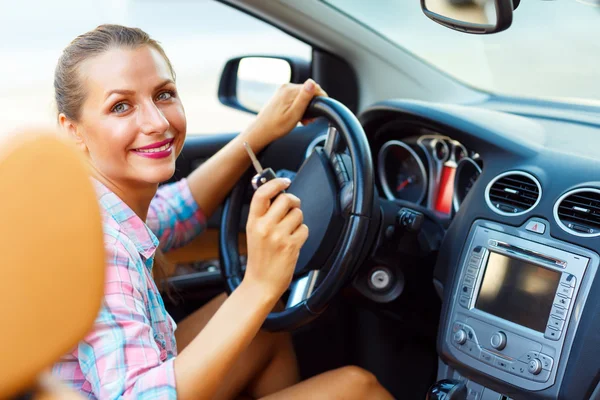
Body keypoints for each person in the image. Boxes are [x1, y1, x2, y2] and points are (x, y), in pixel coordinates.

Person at [51, 24, 394, 400]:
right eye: (121, 106)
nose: (158, 123)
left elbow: (173, 212)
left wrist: (257, 133)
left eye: (164, 94)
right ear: (73, 130)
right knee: (357, 390)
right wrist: (260, 283)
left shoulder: (98, 207)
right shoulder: (101, 250)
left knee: (261, 328)